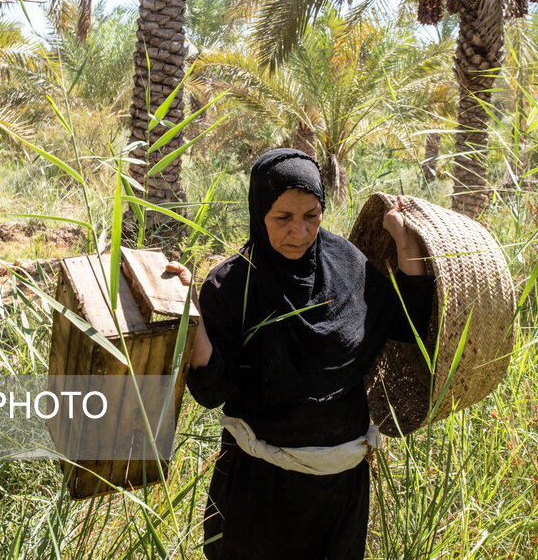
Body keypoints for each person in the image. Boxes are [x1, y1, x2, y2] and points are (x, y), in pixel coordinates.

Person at [167, 148, 435, 560]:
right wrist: (193, 317)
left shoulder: (346, 263)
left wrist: (404, 240)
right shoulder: (232, 286)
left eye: (311, 215)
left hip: (340, 493)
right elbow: (212, 390)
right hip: (259, 493)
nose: (300, 232)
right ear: (259, 213)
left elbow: (408, 324)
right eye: (283, 218)